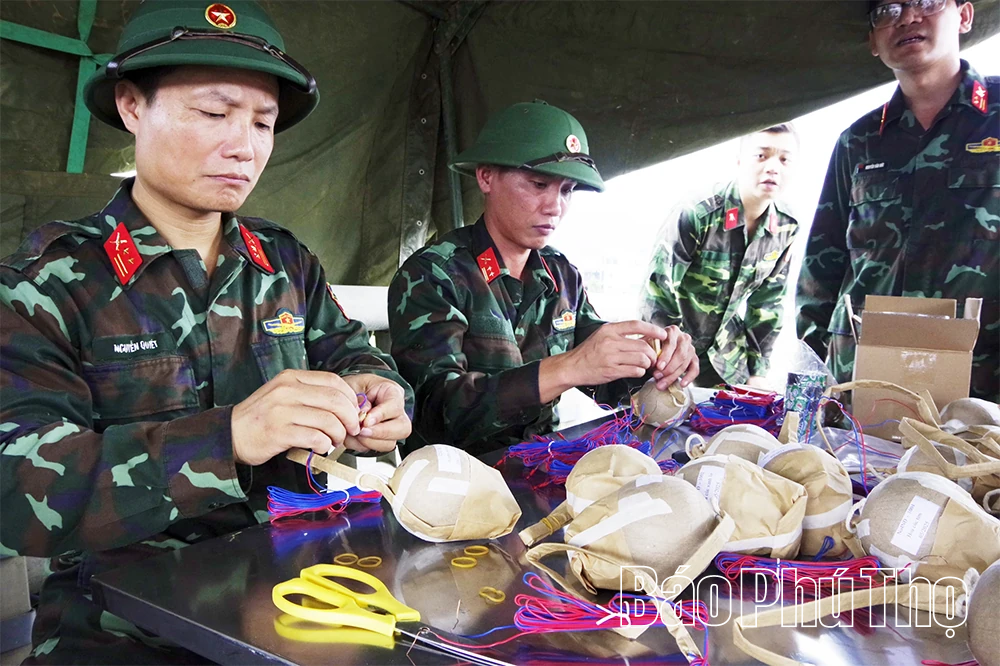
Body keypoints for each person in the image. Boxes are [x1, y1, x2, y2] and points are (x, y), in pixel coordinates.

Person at [0, 1, 412, 662]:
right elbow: (18, 491)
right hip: (123, 625)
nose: (244, 146)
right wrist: (229, 438)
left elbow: (354, 353)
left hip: (294, 594)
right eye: (214, 113)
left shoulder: (285, 261)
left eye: (263, 122)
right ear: (132, 107)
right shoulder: (45, 284)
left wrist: (378, 390)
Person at [388, 101, 698, 455]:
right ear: (486, 177)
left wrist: (657, 363)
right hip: (451, 478)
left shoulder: (560, 274)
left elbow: (603, 374)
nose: (555, 207)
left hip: (540, 465)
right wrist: (566, 368)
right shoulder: (433, 274)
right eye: (539, 184)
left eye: (567, 190)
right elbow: (433, 413)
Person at [797, 0, 998, 401]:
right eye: (887, 10)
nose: (907, 17)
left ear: (964, 15)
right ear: (874, 41)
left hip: (982, 387)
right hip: (863, 384)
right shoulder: (858, 141)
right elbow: (821, 269)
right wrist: (819, 378)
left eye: (926, 2)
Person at [641, 125, 800, 389]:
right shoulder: (697, 213)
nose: (773, 168)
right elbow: (658, 291)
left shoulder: (786, 226)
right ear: (739, 161)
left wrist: (758, 371)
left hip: (727, 360)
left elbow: (768, 302)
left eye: (784, 159)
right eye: (761, 156)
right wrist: (666, 361)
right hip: (674, 352)